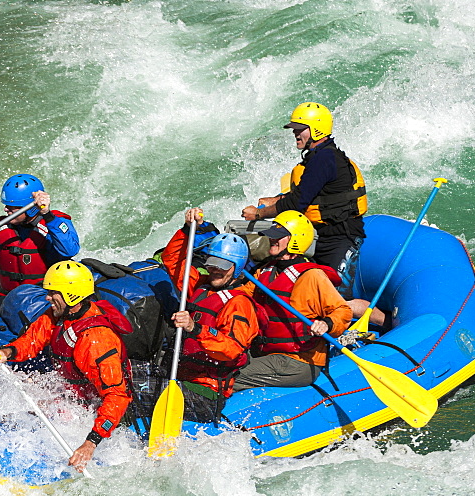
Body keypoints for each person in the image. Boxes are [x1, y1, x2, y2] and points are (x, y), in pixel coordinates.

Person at [0, 261, 132, 472]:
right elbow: (33, 339)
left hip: (94, 412)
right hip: (72, 396)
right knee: (15, 400)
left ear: (71, 295)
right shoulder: (60, 315)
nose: (47, 297)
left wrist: (89, 444)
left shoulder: (96, 340)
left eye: (53, 292)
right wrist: (7, 352)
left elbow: (117, 396)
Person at [241, 102, 367, 301]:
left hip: (342, 237)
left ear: (316, 129)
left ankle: (382, 321)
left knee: (335, 298)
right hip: (322, 236)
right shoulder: (317, 157)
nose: (295, 133)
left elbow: (296, 204)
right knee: (313, 293)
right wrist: (274, 200)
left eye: (300, 129)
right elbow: (309, 193)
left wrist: (259, 214)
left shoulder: (324, 159)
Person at [156, 208, 259, 421]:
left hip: (207, 390)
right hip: (179, 375)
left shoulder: (240, 304)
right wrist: (187, 230)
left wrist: (195, 329)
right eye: (212, 265)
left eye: (222, 267)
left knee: (139, 391)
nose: (215, 270)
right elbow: (172, 261)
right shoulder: (199, 286)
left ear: (237, 268)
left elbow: (230, 349)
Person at [232, 211, 352, 391]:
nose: (272, 240)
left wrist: (326, 324)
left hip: (299, 359)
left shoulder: (312, 276)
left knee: (230, 376)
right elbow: (241, 295)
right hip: (265, 351)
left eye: (279, 237)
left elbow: (343, 311)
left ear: (296, 240)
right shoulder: (266, 271)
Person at [0, 174, 80, 316]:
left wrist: (47, 214)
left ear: (30, 208)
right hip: (9, 299)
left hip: (45, 297)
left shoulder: (52, 224)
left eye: (12, 207)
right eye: (6, 205)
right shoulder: (0, 229)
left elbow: (70, 250)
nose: (6, 210)